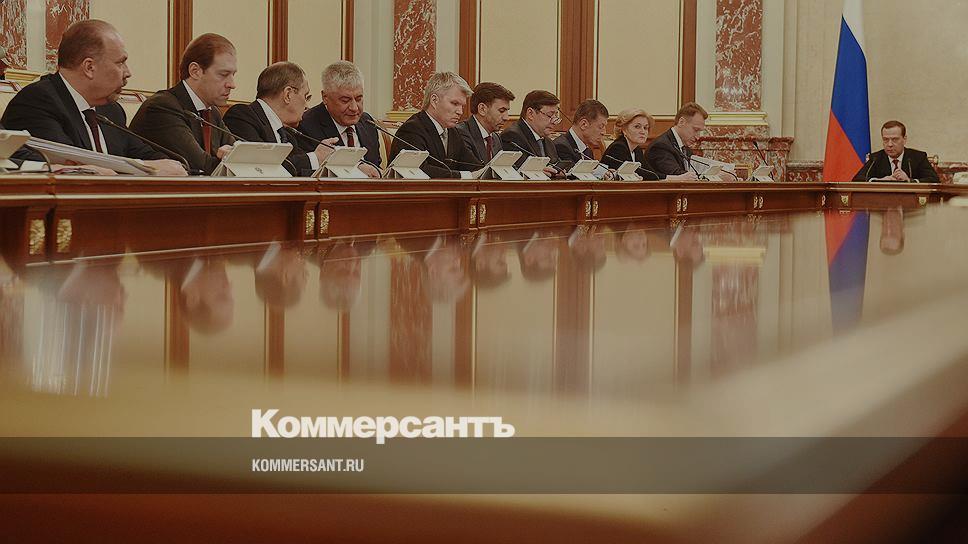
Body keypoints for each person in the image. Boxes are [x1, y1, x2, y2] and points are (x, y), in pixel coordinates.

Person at [0, 19, 185, 176]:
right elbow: (73, 168)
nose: (128, 73)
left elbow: (149, 156)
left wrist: (165, 165)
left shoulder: (111, 110)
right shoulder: (38, 101)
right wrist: (145, 169)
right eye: (120, 63)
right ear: (89, 67)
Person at [129, 33, 238, 175]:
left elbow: (240, 157)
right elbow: (201, 167)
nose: (232, 84)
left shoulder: (212, 112)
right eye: (223, 74)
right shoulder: (162, 107)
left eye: (233, 75)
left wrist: (233, 156)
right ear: (195, 71)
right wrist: (231, 159)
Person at [223, 62, 337, 176]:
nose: (307, 106)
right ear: (288, 95)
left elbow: (296, 172)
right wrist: (315, 158)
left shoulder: (287, 134)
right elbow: (262, 166)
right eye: (306, 96)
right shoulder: (242, 116)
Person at [386, 71, 482, 179]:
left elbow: (473, 165)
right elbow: (417, 170)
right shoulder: (412, 129)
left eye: (462, 106)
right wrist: (464, 175)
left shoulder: (452, 132)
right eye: (455, 103)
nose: (460, 112)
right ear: (434, 100)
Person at [297, 61, 381, 177]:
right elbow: (304, 175)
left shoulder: (368, 123)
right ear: (325, 97)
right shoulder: (305, 126)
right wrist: (355, 171)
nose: (354, 108)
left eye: (358, 99)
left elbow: (376, 166)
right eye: (345, 100)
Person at [603, 108, 697, 181]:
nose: (643, 131)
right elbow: (644, 174)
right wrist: (677, 178)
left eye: (645, 128)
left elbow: (651, 173)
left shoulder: (636, 150)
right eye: (637, 127)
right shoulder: (618, 147)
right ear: (624, 129)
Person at [500, 90, 563, 177]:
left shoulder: (547, 140)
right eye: (550, 115)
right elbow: (515, 174)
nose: (554, 122)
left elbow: (554, 166)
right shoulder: (512, 137)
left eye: (555, 116)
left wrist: (559, 172)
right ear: (530, 114)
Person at [853, 120, 940, 182]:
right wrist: (880, 180)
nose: (890, 144)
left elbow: (934, 180)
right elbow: (857, 179)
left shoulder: (918, 157)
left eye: (894, 139)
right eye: (885, 140)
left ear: (904, 139)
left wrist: (909, 180)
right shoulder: (875, 158)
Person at [456, 82, 514, 164]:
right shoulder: (460, 134)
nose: (506, 118)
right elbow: (474, 168)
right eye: (501, 111)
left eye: (507, 111)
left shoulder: (495, 137)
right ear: (482, 109)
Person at [647, 101, 708, 178]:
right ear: (681, 122)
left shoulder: (685, 148)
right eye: (696, 130)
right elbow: (678, 175)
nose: (698, 137)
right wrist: (706, 176)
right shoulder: (660, 146)